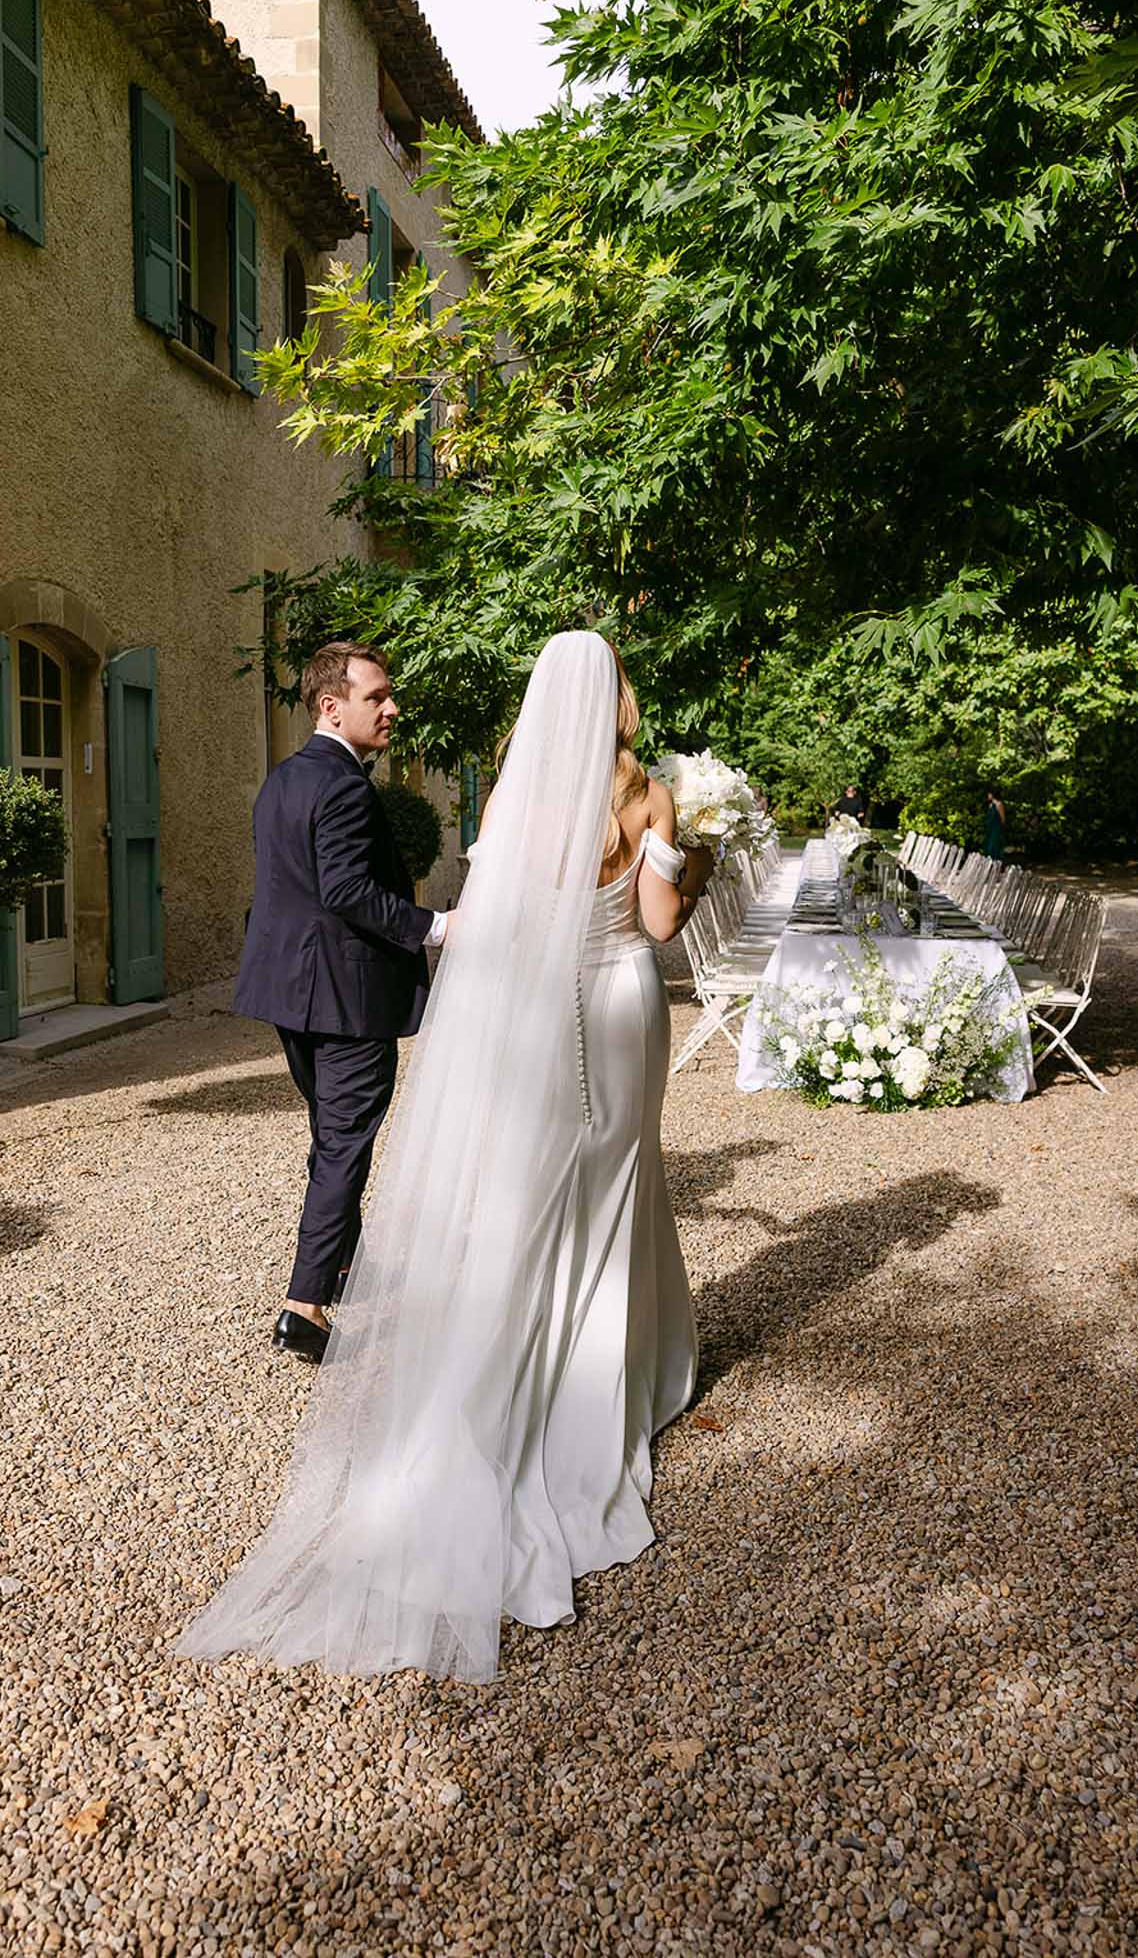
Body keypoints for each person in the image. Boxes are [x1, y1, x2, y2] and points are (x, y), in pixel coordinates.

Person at [176, 631, 712, 1682]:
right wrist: (691, 862)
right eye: (377, 695)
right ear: (615, 699)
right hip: (619, 1007)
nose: (390, 710)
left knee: (550, 1187)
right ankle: (619, 1370)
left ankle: (512, 1357)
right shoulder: (649, 795)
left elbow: (507, 926)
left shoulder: (512, 799)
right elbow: (655, 929)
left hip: (542, 1015)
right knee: (615, 1178)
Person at [233, 641, 447, 1364]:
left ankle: (347, 1264)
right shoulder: (348, 787)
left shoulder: (284, 779)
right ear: (332, 705)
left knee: (332, 1135)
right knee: (344, 1144)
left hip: (290, 991)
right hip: (346, 996)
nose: (392, 709)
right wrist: (438, 927)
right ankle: (304, 1304)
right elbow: (346, 892)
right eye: (377, 697)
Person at [984, 787, 1007, 861]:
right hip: (989, 828)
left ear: (993, 794)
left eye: (989, 794)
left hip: (996, 828)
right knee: (988, 846)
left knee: (994, 846)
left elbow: (1003, 818)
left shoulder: (999, 804)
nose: (988, 795)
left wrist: (1001, 829)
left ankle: (996, 863)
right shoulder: (990, 805)